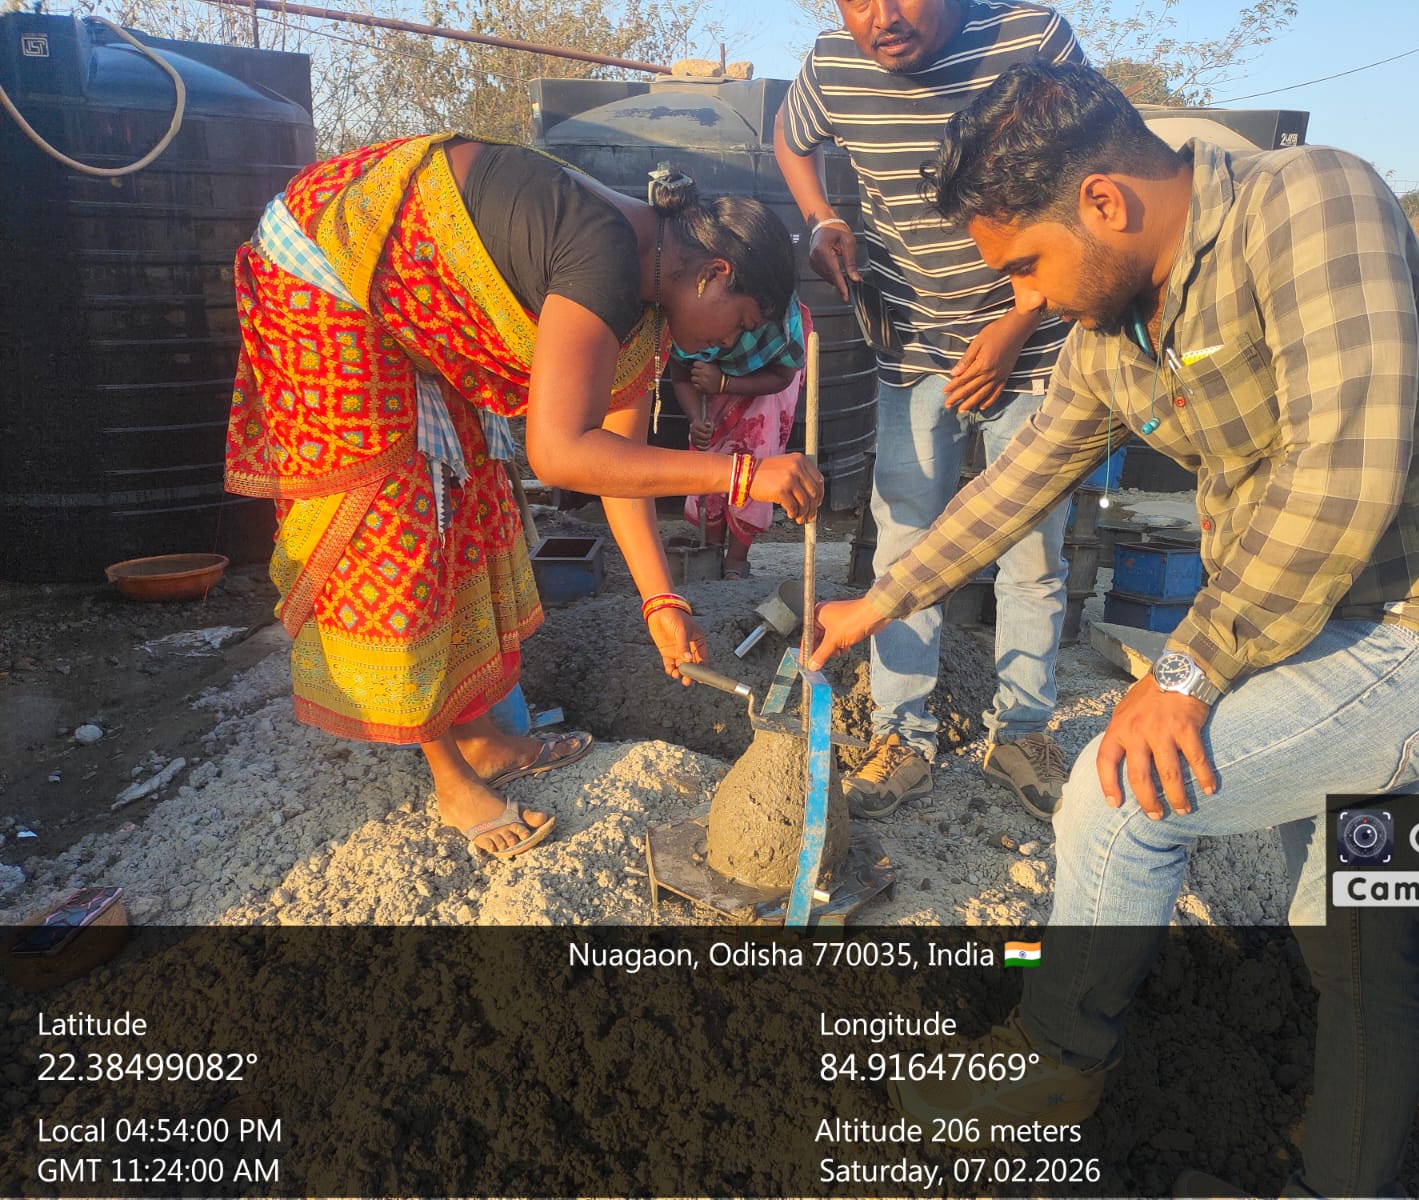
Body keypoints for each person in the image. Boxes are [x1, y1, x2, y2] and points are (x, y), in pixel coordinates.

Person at [807, 62, 1419, 1197]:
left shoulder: (1313, 203)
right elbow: (1019, 479)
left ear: (1103, 201)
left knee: (1119, 795)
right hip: (1306, 630)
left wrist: (1187, 671)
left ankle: (1056, 1065)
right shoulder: (1113, 333)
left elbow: (1340, 473)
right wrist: (882, 596)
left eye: (1025, 266)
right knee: (1350, 929)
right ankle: (1387, 1113)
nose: (1027, 298)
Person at [226, 136, 823, 860]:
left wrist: (661, 602)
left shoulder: (647, 299)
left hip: (408, 306)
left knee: (469, 490)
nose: (732, 344)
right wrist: (741, 475)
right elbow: (559, 452)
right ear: (714, 275)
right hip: (329, 270)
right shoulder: (606, 258)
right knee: (398, 519)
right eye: (743, 323)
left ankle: (482, 741)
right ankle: (448, 774)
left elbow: (615, 466)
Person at [775, 0, 1085, 823]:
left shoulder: (1032, 40)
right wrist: (823, 219)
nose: (880, 17)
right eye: (856, 0)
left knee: (1032, 553)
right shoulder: (833, 63)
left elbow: (1086, 184)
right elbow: (790, 137)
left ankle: (1022, 733)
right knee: (905, 541)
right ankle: (902, 736)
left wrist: (1020, 320)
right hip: (911, 348)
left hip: (1034, 346)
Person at [668, 294, 812, 579]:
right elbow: (681, 373)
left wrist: (725, 382)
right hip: (710, 393)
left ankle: (736, 557)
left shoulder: (775, 324)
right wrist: (696, 419)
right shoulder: (692, 316)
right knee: (709, 464)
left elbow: (782, 375)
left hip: (764, 391)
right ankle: (711, 548)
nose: (725, 340)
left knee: (754, 468)